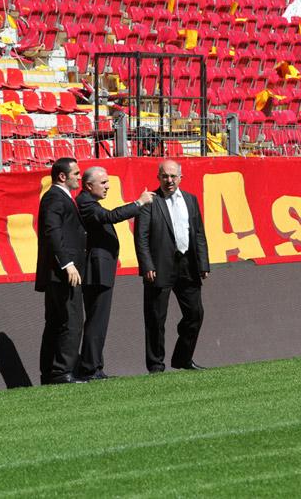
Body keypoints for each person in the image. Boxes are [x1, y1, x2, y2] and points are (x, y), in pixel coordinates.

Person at [76, 166, 155, 380]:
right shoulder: (85, 203)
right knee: (97, 319)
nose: (107, 186)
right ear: (88, 185)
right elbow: (111, 216)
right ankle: (90, 368)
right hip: (96, 271)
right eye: (103, 183)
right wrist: (138, 203)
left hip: (101, 269)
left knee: (98, 320)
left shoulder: (89, 202)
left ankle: (95, 366)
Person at [134, 159, 210, 373]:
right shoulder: (150, 201)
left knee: (195, 313)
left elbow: (198, 233)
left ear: (180, 178)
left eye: (173, 176)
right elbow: (141, 237)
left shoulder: (190, 199)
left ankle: (183, 358)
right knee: (156, 318)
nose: (169, 180)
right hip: (159, 266)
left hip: (187, 265)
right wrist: (146, 265)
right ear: (158, 177)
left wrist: (203, 263)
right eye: (165, 176)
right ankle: (156, 365)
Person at [35, 157, 87, 384]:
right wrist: (67, 264)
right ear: (62, 176)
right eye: (76, 173)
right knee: (70, 321)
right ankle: (62, 371)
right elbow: (53, 232)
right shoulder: (55, 198)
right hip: (62, 273)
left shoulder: (59, 197)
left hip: (58, 272)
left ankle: (51, 372)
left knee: (56, 321)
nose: (79, 177)